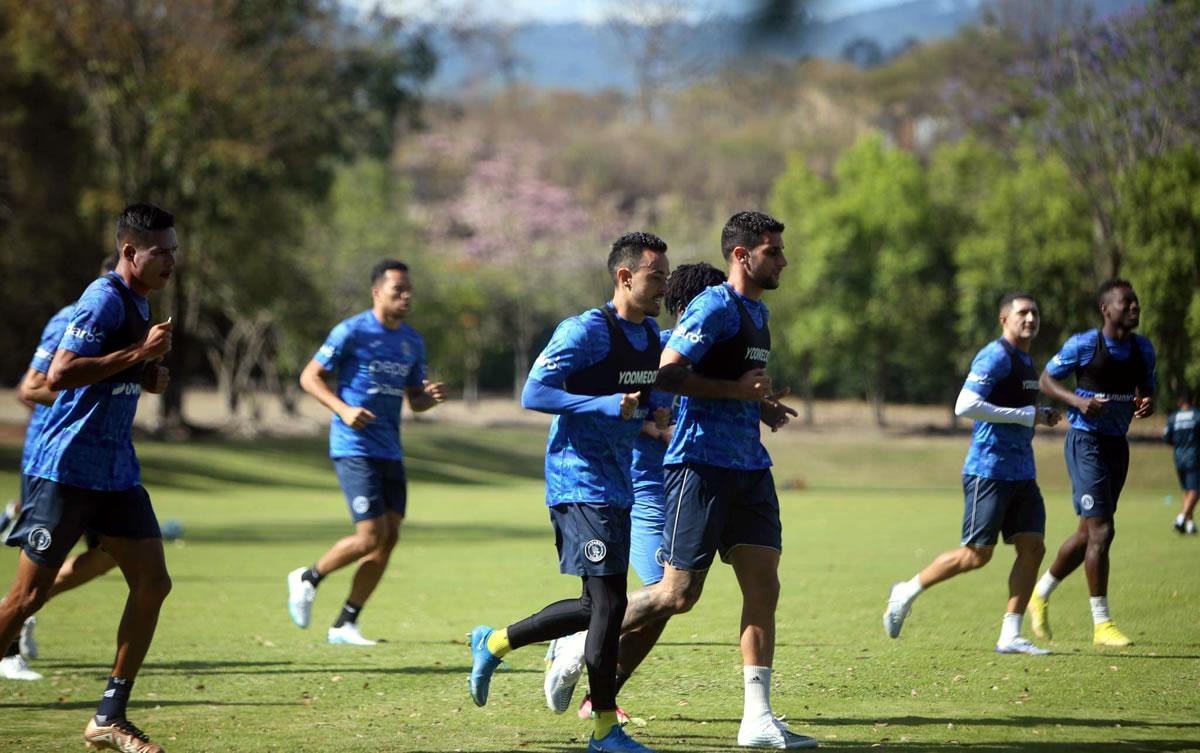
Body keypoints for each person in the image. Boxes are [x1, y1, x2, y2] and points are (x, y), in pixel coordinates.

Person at [603, 211, 812, 750]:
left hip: (750, 468)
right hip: (699, 466)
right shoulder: (715, 304)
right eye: (774, 252)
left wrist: (761, 406)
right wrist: (737, 392)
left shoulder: (758, 315)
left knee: (765, 585)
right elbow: (668, 373)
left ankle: (757, 719)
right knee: (676, 594)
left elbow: (736, 382)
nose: (783, 261)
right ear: (742, 255)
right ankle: (580, 641)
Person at [467, 232, 669, 753]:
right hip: (576, 480)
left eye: (665, 276)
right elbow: (534, 392)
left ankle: (493, 642)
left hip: (617, 483)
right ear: (624, 277)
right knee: (607, 605)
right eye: (656, 276)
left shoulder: (651, 337)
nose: (663, 286)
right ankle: (604, 730)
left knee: (596, 606)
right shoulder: (586, 331)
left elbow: (641, 401)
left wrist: (652, 416)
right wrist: (607, 405)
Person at [0, 203, 177, 752]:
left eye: (174, 250)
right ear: (130, 252)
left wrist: (146, 374)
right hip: (68, 470)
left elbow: (113, 375)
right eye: (161, 251)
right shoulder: (103, 298)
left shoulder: (141, 301)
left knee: (153, 583)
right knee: (26, 598)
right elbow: (61, 372)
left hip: (116, 473)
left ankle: (109, 715)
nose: (172, 260)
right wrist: (138, 354)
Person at [544, 263, 729, 722]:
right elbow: (629, 412)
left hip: (689, 490)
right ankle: (572, 647)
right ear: (690, 309)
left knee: (670, 601)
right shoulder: (660, 351)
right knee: (665, 593)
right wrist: (663, 432)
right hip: (646, 487)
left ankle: (595, 693)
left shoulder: (717, 361)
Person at [883, 292, 1061, 655]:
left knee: (1033, 546)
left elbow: (1011, 405)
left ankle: (1010, 635)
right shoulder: (995, 355)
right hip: (989, 470)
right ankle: (906, 591)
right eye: (1023, 313)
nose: (1030, 319)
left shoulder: (1026, 360)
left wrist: (1039, 413)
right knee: (977, 555)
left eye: (1034, 313)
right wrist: (1028, 416)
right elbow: (965, 405)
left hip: (1022, 471)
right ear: (1004, 319)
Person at [287, 260, 445, 645]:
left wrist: (429, 399)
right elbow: (309, 377)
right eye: (397, 291)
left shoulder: (412, 341)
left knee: (388, 539)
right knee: (370, 535)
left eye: (409, 291)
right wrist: (342, 409)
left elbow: (414, 400)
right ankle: (308, 577)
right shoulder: (352, 331)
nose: (406, 297)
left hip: (390, 449)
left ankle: (345, 623)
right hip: (354, 446)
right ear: (377, 292)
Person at [1, 254, 122, 681]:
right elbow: (30, 388)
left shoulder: (126, 323)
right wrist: (92, 392)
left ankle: (28, 609)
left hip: (98, 463)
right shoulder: (72, 319)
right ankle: (9, 648)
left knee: (110, 554)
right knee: (31, 570)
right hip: (50, 459)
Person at [1030, 279, 1156, 647]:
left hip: (1118, 444)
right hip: (1086, 442)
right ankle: (1102, 624)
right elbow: (1046, 380)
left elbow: (1148, 390)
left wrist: (1147, 402)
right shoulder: (1085, 344)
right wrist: (1079, 402)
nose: (1134, 308)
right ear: (1106, 309)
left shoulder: (1143, 349)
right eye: (1126, 303)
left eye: (1136, 303)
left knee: (1088, 535)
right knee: (1103, 531)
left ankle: (1041, 593)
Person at [1164, 394, 1197, 535]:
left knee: (1187, 490)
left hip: (1178, 458)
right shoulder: (1197, 416)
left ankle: (1189, 524)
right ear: (1192, 401)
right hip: (1195, 457)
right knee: (1195, 490)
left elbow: (1167, 437)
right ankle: (1181, 518)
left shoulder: (1173, 418)